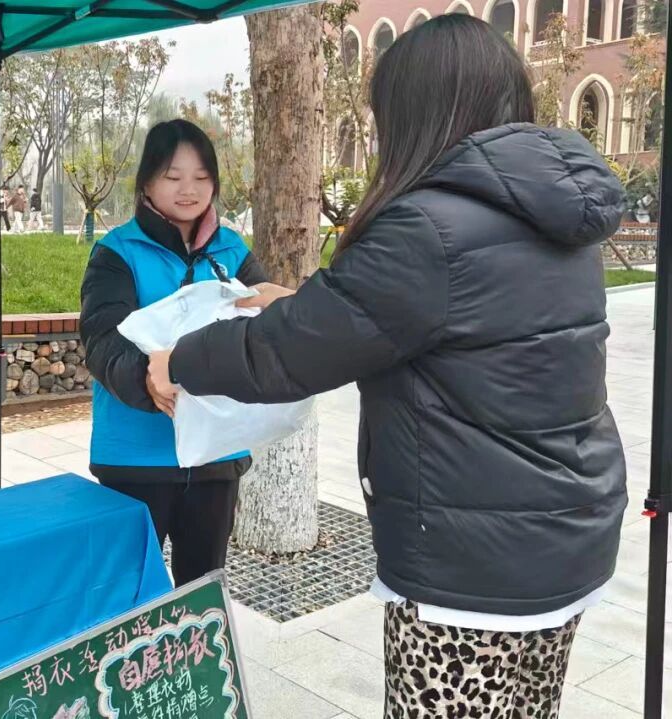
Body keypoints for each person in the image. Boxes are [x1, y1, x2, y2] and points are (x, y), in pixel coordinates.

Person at [148, 16, 627, 718]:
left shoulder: (430, 227)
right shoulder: (557, 217)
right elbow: (423, 322)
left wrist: (182, 357)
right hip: (568, 540)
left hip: (472, 571)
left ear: (416, 113)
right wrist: (309, 303)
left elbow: (290, 352)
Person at [80, 119, 269, 586]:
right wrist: (147, 379)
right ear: (147, 182)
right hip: (136, 460)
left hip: (215, 458)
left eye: (202, 177)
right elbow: (102, 342)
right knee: (130, 594)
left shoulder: (232, 251)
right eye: (173, 176)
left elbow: (262, 327)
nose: (189, 189)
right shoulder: (118, 252)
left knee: (202, 593)